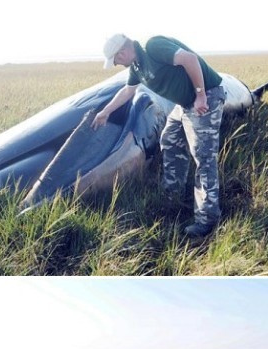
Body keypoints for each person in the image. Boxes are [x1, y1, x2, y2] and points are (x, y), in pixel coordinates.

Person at [92, 34, 225, 237]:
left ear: (122, 52)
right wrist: (105, 112)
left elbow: (190, 59)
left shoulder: (152, 47)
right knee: (170, 139)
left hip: (206, 98)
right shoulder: (137, 67)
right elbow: (128, 91)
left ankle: (207, 220)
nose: (117, 64)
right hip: (185, 105)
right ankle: (174, 195)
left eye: (116, 60)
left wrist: (200, 95)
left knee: (204, 157)